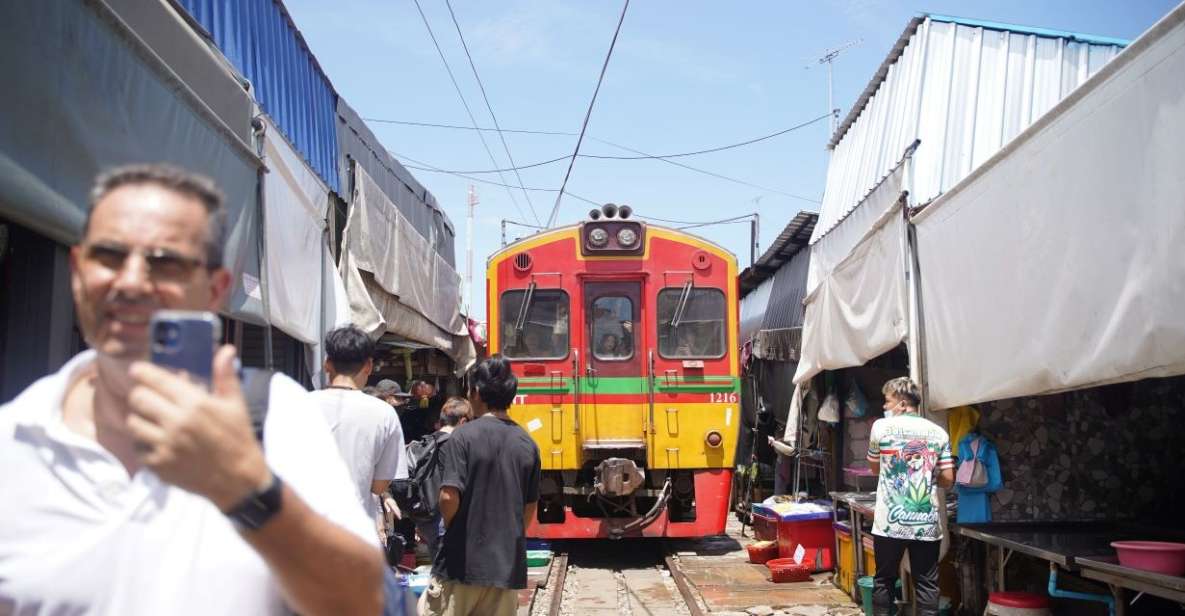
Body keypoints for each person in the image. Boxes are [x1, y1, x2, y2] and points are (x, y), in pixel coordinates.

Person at [0, 164, 382, 614]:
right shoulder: (15, 438)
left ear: (216, 289)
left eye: (166, 263)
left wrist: (246, 489)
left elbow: (365, 602)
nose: (131, 283)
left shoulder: (277, 417)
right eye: (109, 256)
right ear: (78, 270)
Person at [420, 357, 541, 616]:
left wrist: (457, 528)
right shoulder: (527, 443)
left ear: (476, 393)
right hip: (505, 570)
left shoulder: (463, 436)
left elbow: (448, 496)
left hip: (461, 566)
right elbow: (529, 508)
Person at [309, 325, 408, 542]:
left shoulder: (298, 404)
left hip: (301, 533)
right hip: (355, 536)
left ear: (327, 363)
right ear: (369, 366)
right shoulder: (384, 414)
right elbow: (379, 485)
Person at [866, 377, 955, 616]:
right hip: (925, 524)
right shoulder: (938, 433)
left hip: (889, 524)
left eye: (888, 401)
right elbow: (948, 479)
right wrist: (928, 476)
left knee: (884, 579)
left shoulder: (880, 428)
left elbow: (875, 469)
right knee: (927, 583)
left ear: (902, 403)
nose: (885, 407)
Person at [409, 396, 471, 562]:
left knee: (439, 569)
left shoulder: (427, 443)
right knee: (450, 576)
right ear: (463, 422)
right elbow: (453, 490)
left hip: (426, 519)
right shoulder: (454, 445)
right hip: (445, 522)